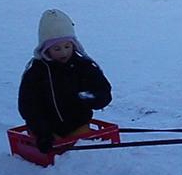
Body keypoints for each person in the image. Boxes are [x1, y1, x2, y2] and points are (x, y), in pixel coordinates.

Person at [18, 9, 112, 154]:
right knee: (56, 151)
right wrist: (43, 134)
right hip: (47, 129)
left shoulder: (84, 66)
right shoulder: (36, 73)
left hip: (78, 126)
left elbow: (103, 90)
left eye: (67, 46)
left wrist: (94, 98)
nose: (63, 52)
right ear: (45, 49)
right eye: (56, 48)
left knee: (86, 153)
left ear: (74, 44)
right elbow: (29, 107)